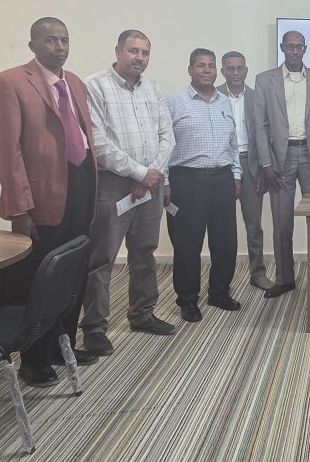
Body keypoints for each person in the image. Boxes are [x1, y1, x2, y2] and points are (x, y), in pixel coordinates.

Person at [0, 16, 98, 387]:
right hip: (40, 198)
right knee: (41, 278)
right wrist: (19, 208)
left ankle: (62, 345)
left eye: (65, 39)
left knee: (73, 273)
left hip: (80, 187)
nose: (60, 47)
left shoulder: (76, 83)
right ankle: (34, 359)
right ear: (33, 44)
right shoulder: (10, 82)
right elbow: (8, 151)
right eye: (51, 40)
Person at [80, 30, 176, 357]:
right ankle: (94, 327)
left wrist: (151, 175)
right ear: (118, 50)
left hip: (150, 183)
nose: (139, 57)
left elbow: (168, 137)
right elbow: (99, 143)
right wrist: (140, 173)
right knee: (102, 257)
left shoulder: (153, 89)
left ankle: (142, 313)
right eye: (133, 51)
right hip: (113, 184)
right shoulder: (95, 86)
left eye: (145, 52)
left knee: (145, 250)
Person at [252, 30, 310, 299]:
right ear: (282, 48)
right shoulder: (265, 80)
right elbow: (261, 125)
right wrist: (266, 163)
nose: (295, 51)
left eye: (299, 47)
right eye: (290, 46)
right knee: (282, 221)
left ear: (305, 49)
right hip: (280, 158)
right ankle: (285, 278)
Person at [164, 49, 242, 323]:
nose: (207, 70)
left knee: (226, 242)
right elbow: (163, 145)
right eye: (201, 66)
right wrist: (164, 181)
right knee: (187, 245)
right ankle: (187, 300)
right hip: (186, 181)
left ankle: (219, 292)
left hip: (222, 179)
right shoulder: (174, 102)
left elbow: (233, 144)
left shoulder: (224, 103)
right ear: (190, 70)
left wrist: (236, 174)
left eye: (211, 66)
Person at [218, 51, 272, 291]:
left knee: (253, 225)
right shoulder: (213, 95)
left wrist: (263, 168)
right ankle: (221, 280)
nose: (236, 73)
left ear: (246, 71)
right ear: (223, 72)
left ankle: (257, 273)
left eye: (240, 68)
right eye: (230, 69)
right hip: (222, 167)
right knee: (222, 227)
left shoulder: (256, 97)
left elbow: (266, 136)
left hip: (251, 165)